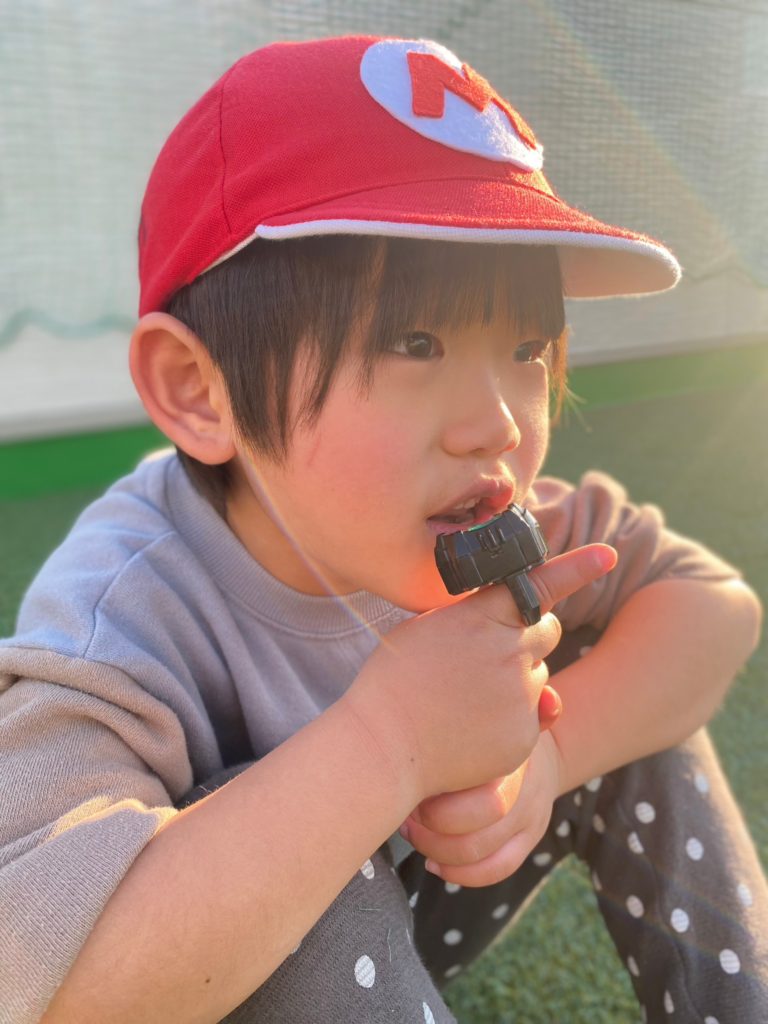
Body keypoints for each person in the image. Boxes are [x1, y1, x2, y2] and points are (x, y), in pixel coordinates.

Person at [0, 35, 764, 1024]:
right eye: (417, 340)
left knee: (610, 679)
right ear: (199, 390)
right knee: (281, 822)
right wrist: (385, 744)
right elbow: (37, 975)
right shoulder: (122, 614)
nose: (497, 425)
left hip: (423, 910)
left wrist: (548, 758)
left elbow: (714, 604)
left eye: (528, 347)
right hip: (219, 980)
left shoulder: (492, 512)